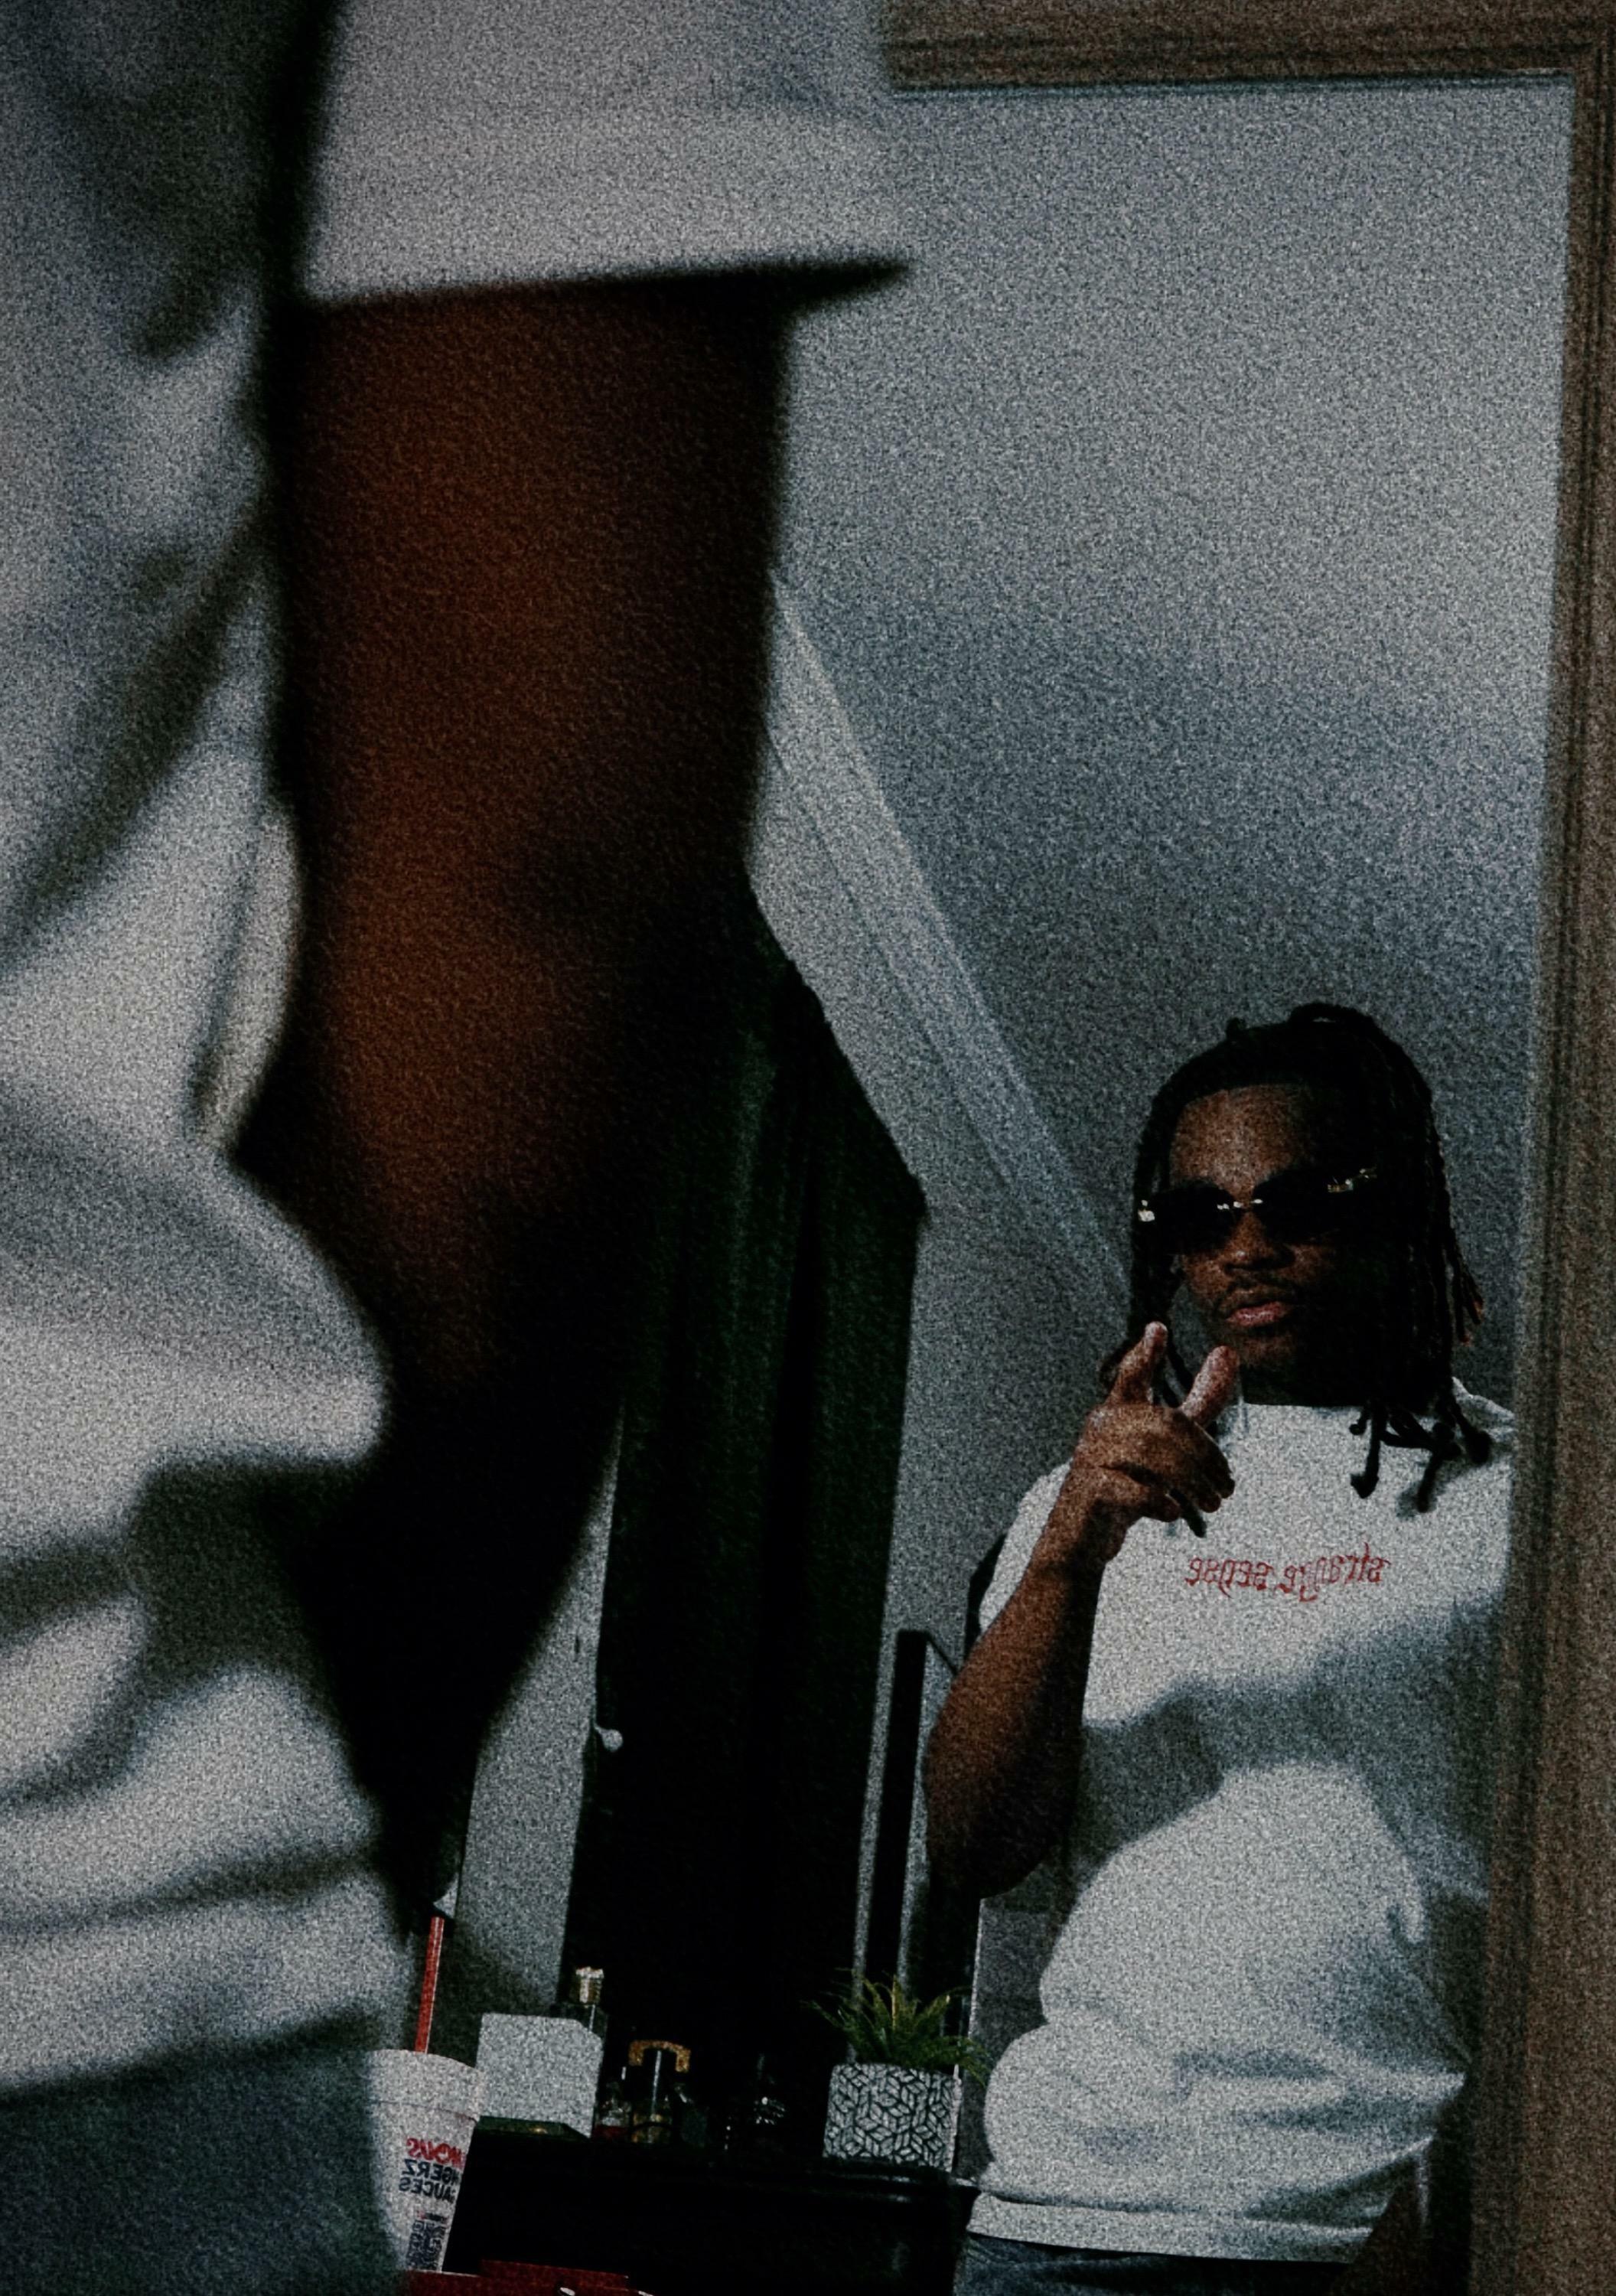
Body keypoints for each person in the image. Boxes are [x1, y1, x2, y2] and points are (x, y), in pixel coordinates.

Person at [2, 5, 898, 2288]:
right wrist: (338, 1808)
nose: (1240, 1250)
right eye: (1193, 1208)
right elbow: (547, 901)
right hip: (70, 1904)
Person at [926, 1004, 1511, 2294]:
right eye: (1201, 1216)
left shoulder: (1522, 1510)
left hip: (1358, 2237)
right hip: (1062, 2225)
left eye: (1296, 1202)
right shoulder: (1080, 1501)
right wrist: (1070, 1555)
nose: (1247, 1247)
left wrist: (1443, 2214)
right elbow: (973, 1851)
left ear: (1395, 1207)